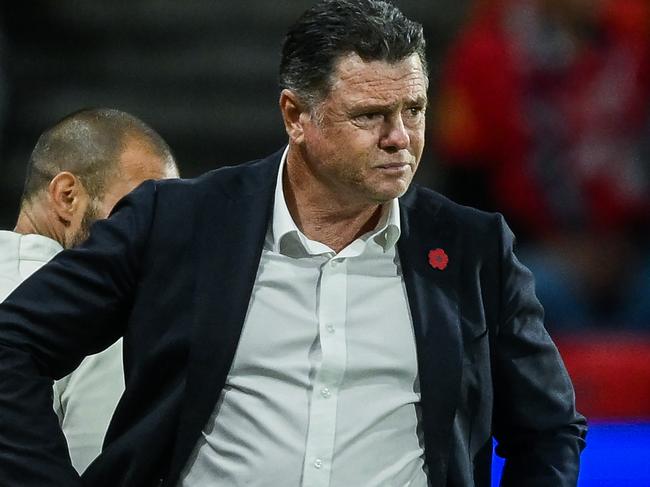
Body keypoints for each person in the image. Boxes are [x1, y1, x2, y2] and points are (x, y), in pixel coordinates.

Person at [0, 2, 586, 486]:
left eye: (414, 109)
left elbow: (550, 429)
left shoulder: (472, 248)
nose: (400, 138)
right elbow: (13, 343)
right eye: (371, 115)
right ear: (295, 115)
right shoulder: (176, 222)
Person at [434, 0, 650, 330]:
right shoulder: (490, 55)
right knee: (538, 293)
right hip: (527, 247)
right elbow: (464, 188)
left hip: (627, 249)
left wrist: (620, 246)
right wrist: (552, 247)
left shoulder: (632, 42)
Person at [0, 108, 179, 474]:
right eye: (139, 209)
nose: (156, 231)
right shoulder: (99, 321)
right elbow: (97, 470)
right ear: (67, 196)